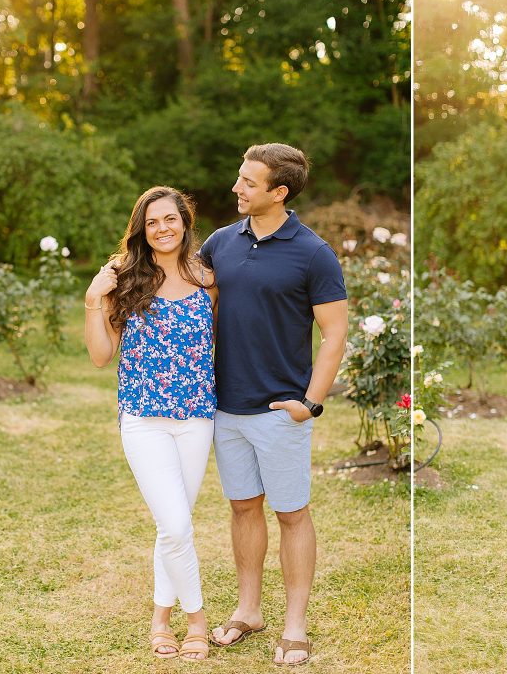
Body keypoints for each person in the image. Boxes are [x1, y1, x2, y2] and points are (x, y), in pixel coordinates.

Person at [200, 143, 348, 666]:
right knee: (242, 508)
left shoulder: (313, 253)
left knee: (291, 514)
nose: (236, 188)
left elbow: (334, 335)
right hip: (225, 407)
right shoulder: (219, 243)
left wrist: (310, 402)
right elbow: (180, 294)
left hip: (281, 412)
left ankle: (295, 624)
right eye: (239, 178)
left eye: (248, 182)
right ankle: (248, 610)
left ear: (278, 192)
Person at [84, 186, 217, 661]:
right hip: (143, 420)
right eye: (152, 222)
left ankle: (160, 617)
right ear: (141, 229)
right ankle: (196, 620)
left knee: (172, 526)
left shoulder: (207, 277)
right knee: (178, 524)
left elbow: (217, 343)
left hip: (197, 418)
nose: (162, 229)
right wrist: (92, 300)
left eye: (170, 219)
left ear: (185, 221)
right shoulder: (126, 278)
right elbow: (102, 356)